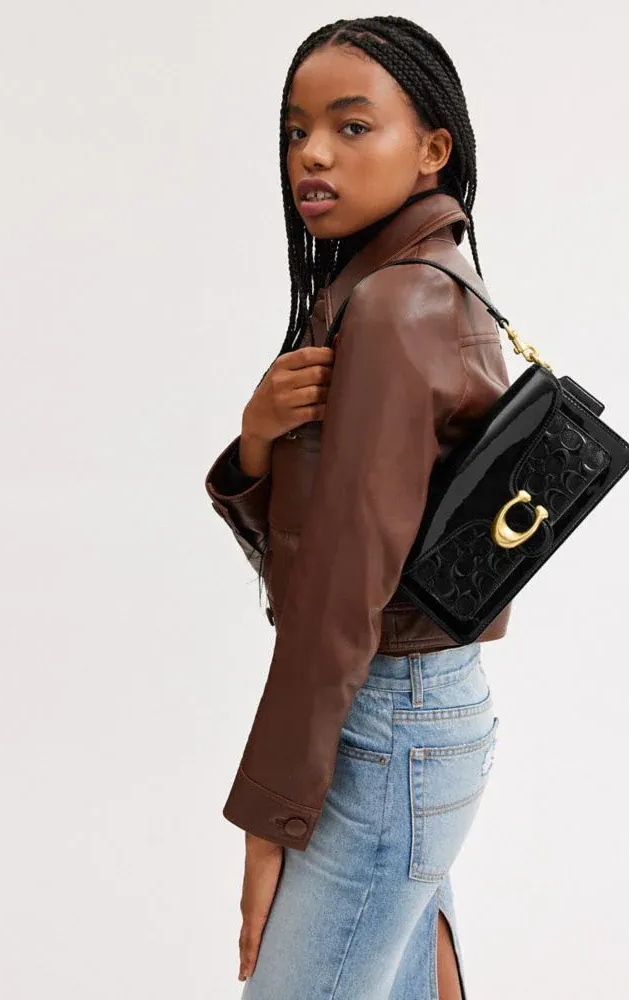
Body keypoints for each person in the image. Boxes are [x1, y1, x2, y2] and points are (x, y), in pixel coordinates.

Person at [204, 16, 513, 999]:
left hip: (383, 722)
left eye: (351, 126)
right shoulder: (399, 287)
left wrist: (268, 821)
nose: (313, 155)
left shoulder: (394, 305)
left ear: (433, 149)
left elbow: (340, 597)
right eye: (297, 131)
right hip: (405, 711)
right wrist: (259, 442)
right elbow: (326, 554)